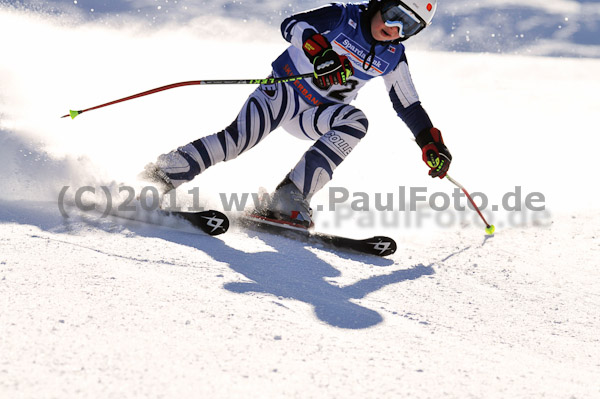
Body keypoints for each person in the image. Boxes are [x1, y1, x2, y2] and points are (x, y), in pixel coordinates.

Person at [141, 0, 452, 229]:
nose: (395, 29)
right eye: (395, 16)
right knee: (238, 141)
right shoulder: (345, 17)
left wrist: (429, 141)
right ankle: (162, 175)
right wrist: (320, 50)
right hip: (285, 93)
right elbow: (292, 25)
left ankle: (288, 199)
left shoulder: (393, 56)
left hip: (316, 114)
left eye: (408, 27)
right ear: (381, 3)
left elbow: (407, 103)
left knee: (355, 121)